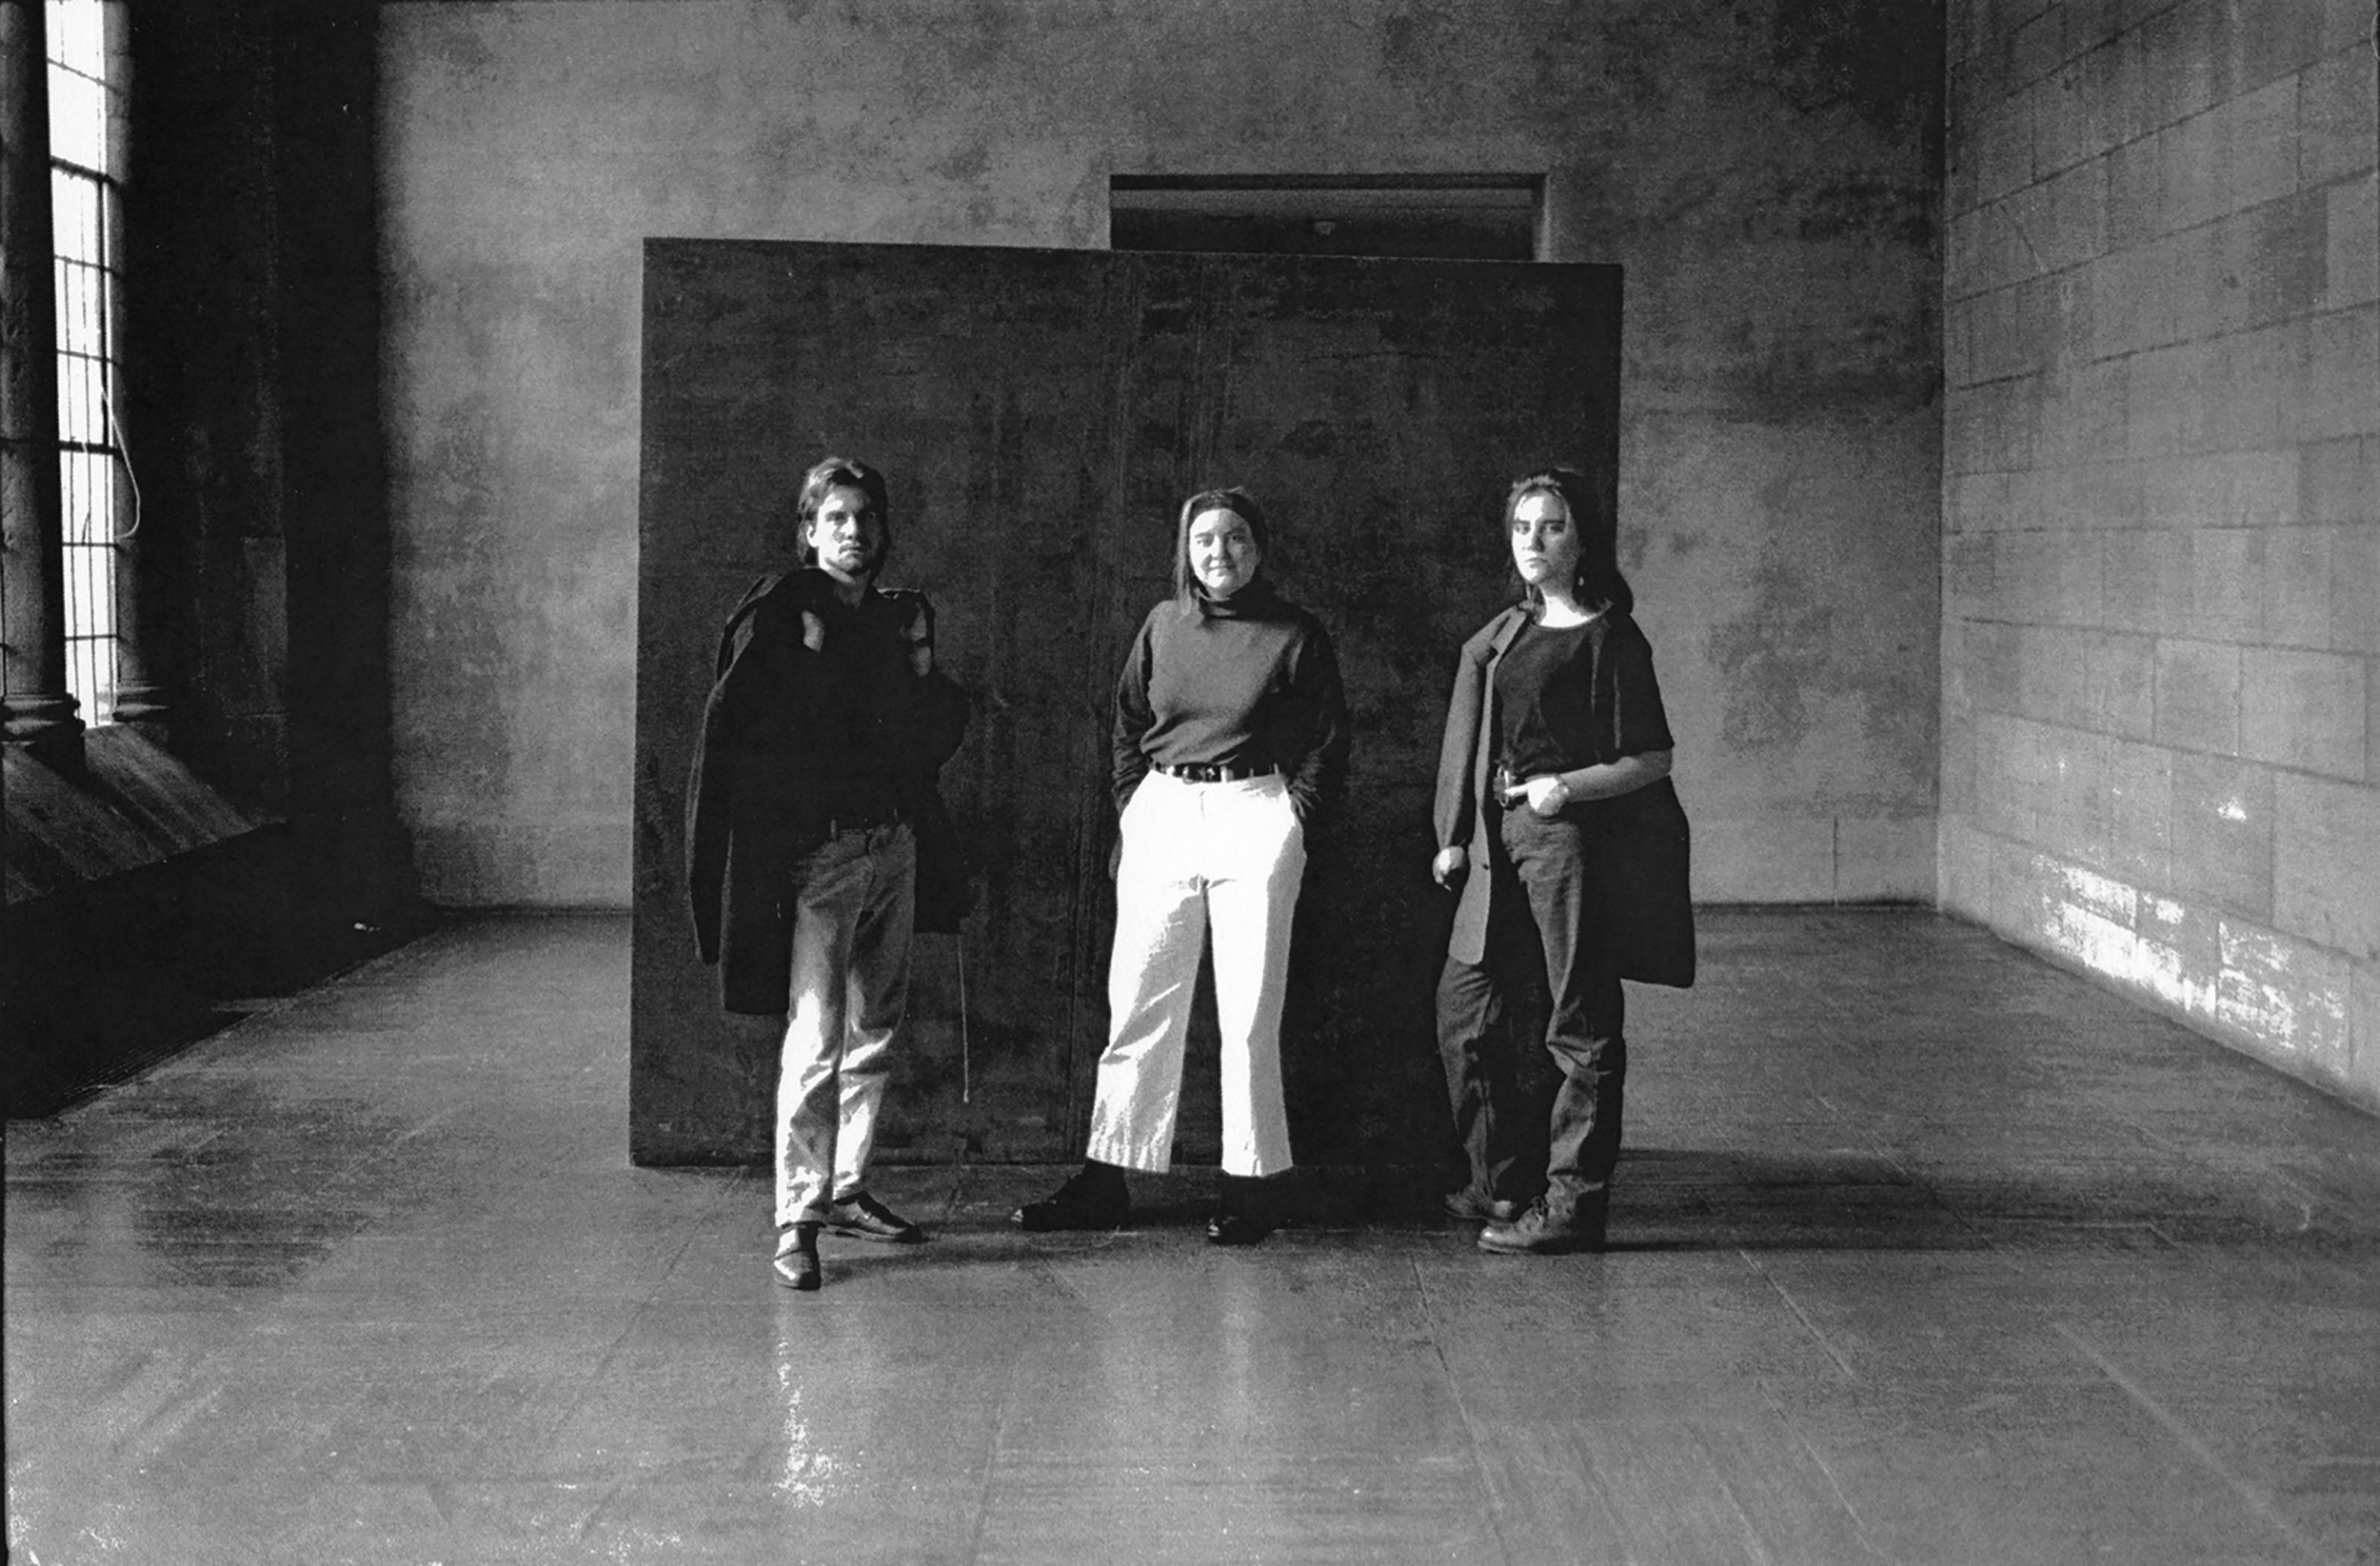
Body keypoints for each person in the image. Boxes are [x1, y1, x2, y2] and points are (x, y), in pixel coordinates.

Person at [1015, 487, 1348, 1245]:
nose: (1220, 553)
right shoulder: (1162, 626)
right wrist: (1135, 805)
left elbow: (1328, 739)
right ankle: (1108, 1177)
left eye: (1235, 538)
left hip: (1255, 810)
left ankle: (1251, 1184)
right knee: (1138, 1003)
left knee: (1249, 1011)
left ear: (1258, 548)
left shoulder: (1295, 634)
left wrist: (1292, 820)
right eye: (1204, 540)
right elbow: (1129, 721)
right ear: (1185, 551)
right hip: (1164, 810)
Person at [686, 456, 969, 1291]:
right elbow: (745, 734)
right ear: (809, 532)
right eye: (836, 519)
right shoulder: (782, 614)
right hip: (822, 858)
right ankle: (797, 1216)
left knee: (874, 1024)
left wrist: (923, 669)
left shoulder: (893, 619)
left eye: (865, 520)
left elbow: (922, 739)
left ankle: (846, 1188)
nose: (853, 532)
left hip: (893, 846)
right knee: (814, 1037)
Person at [1429, 468, 1693, 1256]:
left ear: (1581, 539)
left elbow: (1653, 757)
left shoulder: (1611, 635)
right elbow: (1473, 731)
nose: (1534, 542)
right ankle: (1499, 1183)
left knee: (1576, 1020)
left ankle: (1572, 1204)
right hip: (1497, 841)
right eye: (1522, 528)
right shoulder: (1507, 629)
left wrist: (1562, 789)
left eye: (1551, 527)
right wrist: (1456, 832)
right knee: (1466, 1012)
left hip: (1565, 841)